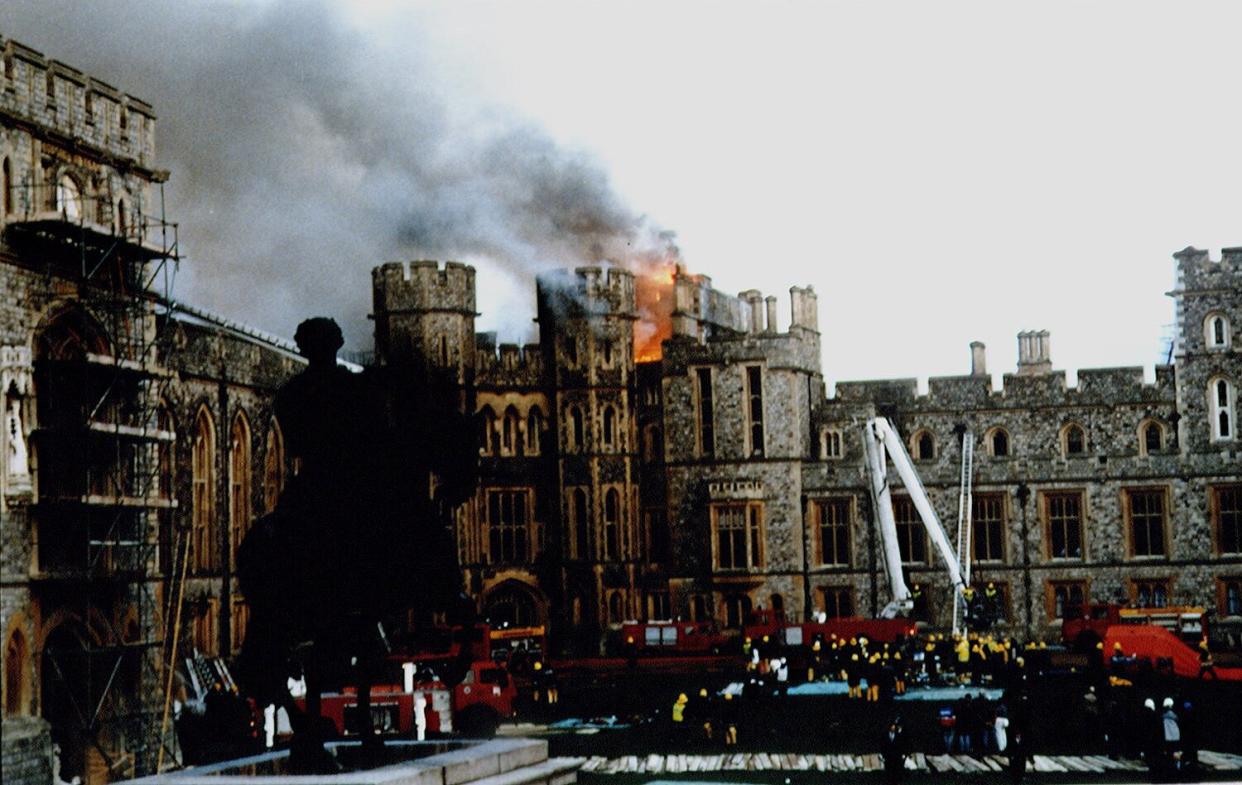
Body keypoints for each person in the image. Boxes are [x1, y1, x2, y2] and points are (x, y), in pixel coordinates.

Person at [882, 715, 907, 785]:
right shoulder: (885, 735)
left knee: (896, 773)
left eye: (894, 726)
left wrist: (902, 754)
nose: (893, 727)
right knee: (889, 772)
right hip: (888, 757)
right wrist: (884, 755)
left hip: (896, 757)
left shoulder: (898, 736)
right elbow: (883, 746)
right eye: (892, 726)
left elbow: (901, 746)